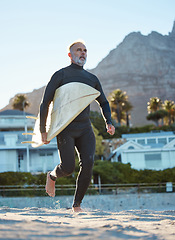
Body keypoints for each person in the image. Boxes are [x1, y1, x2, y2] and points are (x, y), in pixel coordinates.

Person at [40, 41, 115, 212]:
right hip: (65, 128)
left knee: (88, 164)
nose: (82, 53)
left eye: (85, 50)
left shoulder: (91, 79)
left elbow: (103, 102)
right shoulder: (60, 75)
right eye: (78, 50)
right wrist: (43, 130)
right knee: (67, 168)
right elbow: (45, 103)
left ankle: (77, 205)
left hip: (85, 128)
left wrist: (108, 121)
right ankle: (52, 176)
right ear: (70, 55)